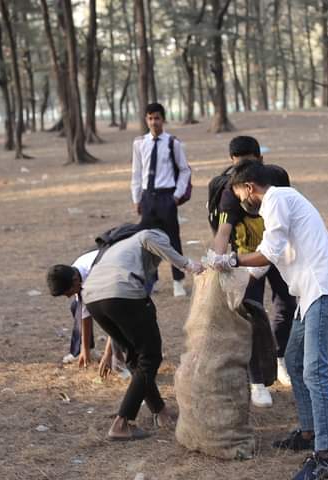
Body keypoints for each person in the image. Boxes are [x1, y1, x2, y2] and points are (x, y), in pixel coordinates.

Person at [214, 159, 328, 480]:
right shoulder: (278, 204)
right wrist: (225, 283)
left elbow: (268, 254)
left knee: (315, 371)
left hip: (321, 288)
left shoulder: (276, 200)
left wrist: (230, 258)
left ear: (250, 188)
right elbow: (261, 263)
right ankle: (307, 433)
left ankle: (326, 455)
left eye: (239, 195)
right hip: (308, 292)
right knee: (293, 359)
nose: (241, 203)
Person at [48, 229, 204, 441]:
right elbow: (151, 239)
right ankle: (122, 423)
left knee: (134, 358)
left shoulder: (118, 249)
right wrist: (187, 265)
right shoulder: (150, 235)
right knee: (150, 357)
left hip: (93, 299)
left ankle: (160, 411)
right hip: (121, 293)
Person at [209, 136, 296, 408]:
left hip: (278, 254)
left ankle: (279, 358)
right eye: (237, 166)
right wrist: (218, 259)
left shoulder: (278, 178)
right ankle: (256, 380)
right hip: (247, 258)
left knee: (286, 305)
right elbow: (223, 231)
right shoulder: (229, 190)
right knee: (251, 314)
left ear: (261, 159)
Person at [131, 103, 191, 297]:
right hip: (148, 197)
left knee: (172, 239)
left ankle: (178, 281)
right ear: (146, 120)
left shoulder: (173, 143)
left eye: (157, 118)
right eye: (150, 118)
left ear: (163, 119)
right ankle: (150, 279)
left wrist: (176, 195)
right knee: (146, 240)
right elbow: (136, 172)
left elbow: (184, 170)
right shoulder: (140, 143)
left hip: (167, 196)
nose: (153, 122)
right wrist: (137, 197)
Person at [54, 249, 129, 379]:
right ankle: (91, 350)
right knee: (75, 306)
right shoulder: (74, 273)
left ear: (75, 281)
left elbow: (114, 319)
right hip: (109, 275)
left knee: (120, 316)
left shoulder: (97, 277)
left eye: (68, 293)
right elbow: (84, 313)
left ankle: (124, 362)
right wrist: (85, 349)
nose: (68, 296)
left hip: (126, 274)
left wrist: (107, 354)